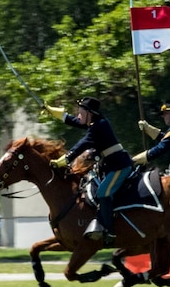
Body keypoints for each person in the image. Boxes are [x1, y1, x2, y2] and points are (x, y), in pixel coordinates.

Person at [45, 97, 133, 239]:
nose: (79, 115)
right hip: (110, 167)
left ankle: (108, 231)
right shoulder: (96, 123)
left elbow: (83, 143)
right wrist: (60, 115)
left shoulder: (99, 126)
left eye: (81, 112)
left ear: (90, 113)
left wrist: (65, 159)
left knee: (103, 193)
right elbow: (76, 121)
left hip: (119, 166)